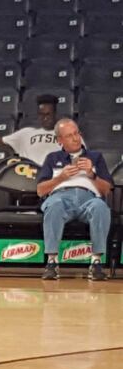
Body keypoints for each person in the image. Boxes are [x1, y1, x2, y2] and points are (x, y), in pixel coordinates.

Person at [36, 119, 112, 281]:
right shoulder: (52, 158)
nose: (76, 138)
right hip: (60, 198)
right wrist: (61, 177)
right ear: (60, 140)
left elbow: (106, 190)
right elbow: (40, 190)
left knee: (100, 207)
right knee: (53, 205)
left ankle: (96, 263)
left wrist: (91, 174)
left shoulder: (95, 157)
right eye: (69, 136)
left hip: (89, 199)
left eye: (77, 133)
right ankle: (52, 263)